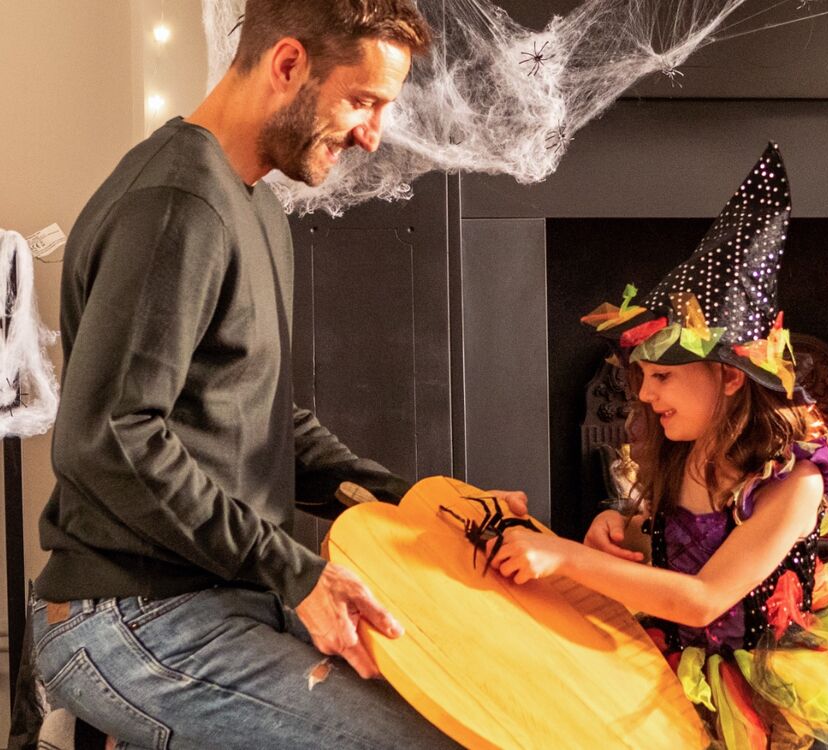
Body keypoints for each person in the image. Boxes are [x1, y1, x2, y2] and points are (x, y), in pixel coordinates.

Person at [30, 1, 524, 747]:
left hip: (222, 591)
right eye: (361, 100)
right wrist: (293, 571)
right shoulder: (178, 205)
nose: (373, 132)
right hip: (129, 615)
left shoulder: (252, 202)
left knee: (462, 705)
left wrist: (416, 501)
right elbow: (108, 439)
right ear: (288, 64)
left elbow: (261, 422)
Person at [487, 144, 828, 749]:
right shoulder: (682, 454)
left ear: (729, 378)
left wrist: (569, 559)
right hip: (677, 657)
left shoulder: (794, 483)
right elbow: (673, 546)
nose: (647, 395)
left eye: (663, 377)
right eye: (642, 378)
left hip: (772, 684)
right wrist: (614, 526)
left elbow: (704, 598)